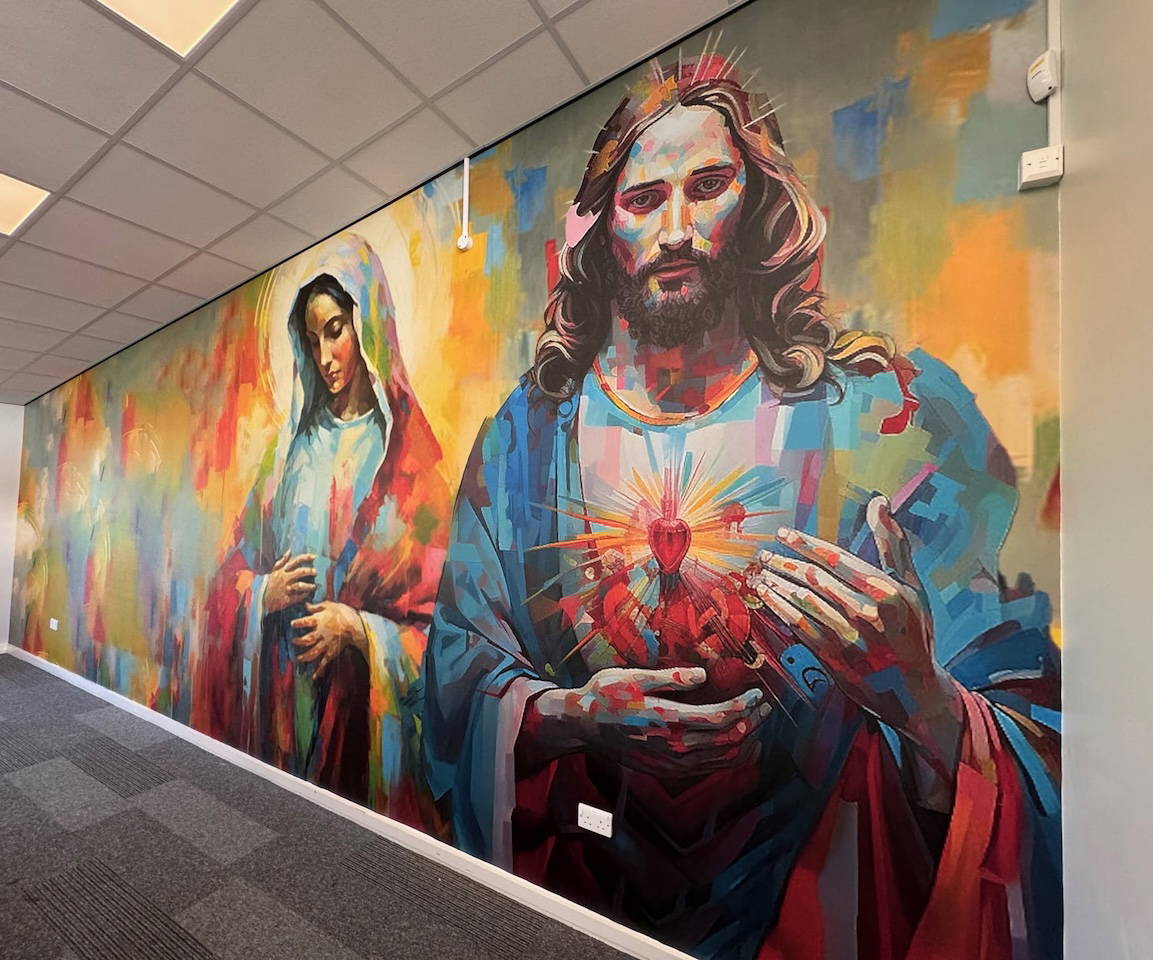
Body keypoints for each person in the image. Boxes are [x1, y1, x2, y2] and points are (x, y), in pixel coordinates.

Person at [423, 55, 1061, 959]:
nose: (677, 231)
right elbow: (456, 670)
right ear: (604, 227)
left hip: (819, 896)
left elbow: (1029, 718)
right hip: (578, 878)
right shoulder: (525, 438)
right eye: (644, 200)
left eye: (708, 186)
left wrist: (920, 694)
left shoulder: (889, 418)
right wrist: (571, 715)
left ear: (757, 201)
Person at [198, 234, 449, 826]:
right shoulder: (289, 454)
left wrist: (359, 630)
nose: (325, 356)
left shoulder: (411, 465)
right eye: (311, 340)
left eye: (335, 331)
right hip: (283, 696)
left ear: (369, 327)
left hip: (359, 713)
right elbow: (228, 574)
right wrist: (263, 592)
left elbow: (442, 632)